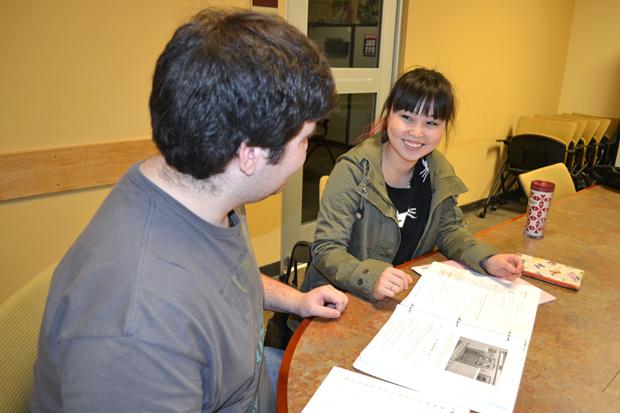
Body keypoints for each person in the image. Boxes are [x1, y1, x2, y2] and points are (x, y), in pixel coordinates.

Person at [31, 9, 348, 413]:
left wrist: (296, 301)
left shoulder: (203, 186)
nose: (306, 154)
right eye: (304, 139)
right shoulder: (137, 328)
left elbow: (222, 281)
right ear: (249, 153)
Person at [300, 67, 523, 302]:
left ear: (444, 128)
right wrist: (371, 278)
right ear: (389, 115)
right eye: (406, 117)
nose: (417, 132)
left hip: (401, 295)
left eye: (431, 123)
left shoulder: (438, 169)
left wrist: (486, 259)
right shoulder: (353, 170)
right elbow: (328, 249)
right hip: (342, 298)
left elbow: (449, 230)